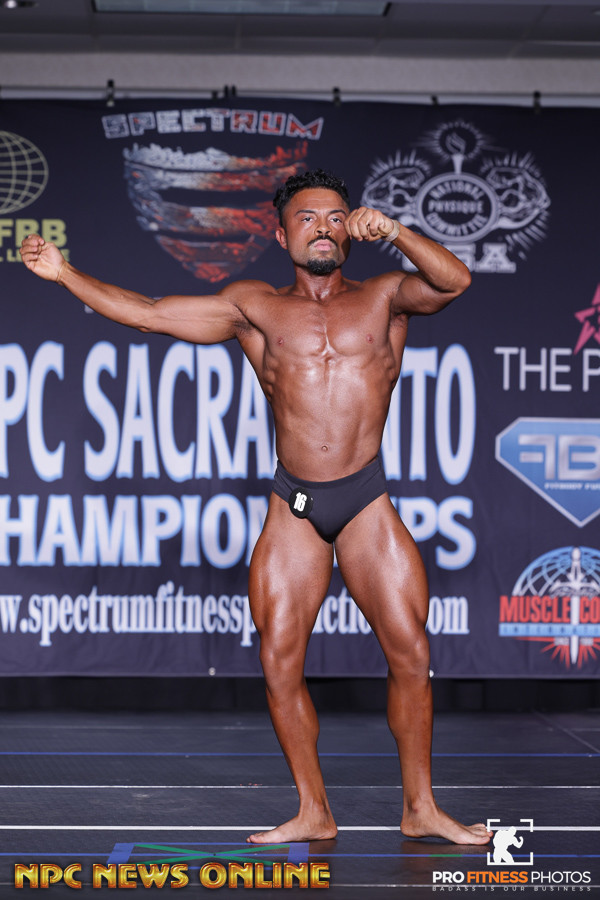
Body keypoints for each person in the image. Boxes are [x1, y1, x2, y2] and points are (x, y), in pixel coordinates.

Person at [20, 168, 491, 847]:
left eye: (335, 216)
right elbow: (149, 312)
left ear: (351, 229)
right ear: (281, 234)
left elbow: (456, 281)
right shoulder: (254, 308)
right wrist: (65, 273)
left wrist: (396, 231)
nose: (323, 227)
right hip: (295, 505)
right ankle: (313, 809)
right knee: (279, 661)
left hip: (365, 498)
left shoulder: (386, 297)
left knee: (411, 653)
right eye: (307, 218)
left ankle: (421, 808)